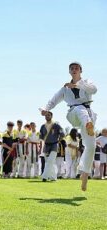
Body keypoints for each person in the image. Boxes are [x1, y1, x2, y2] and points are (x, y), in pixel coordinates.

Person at [40, 62, 97, 191]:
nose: (74, 69)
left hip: (88, 115)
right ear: (69, 71)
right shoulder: (65, 88)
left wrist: (78, 85)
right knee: (79, 108)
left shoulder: (87, 82)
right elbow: (54, 100)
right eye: (72, 68)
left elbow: (94, 90)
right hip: (74, 114)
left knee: (91, 146)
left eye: (77, 68)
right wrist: (45, 109)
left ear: (81, 70)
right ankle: (88, 123)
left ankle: (84, 174)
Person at [39, 112, 65, 182]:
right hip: (46, 145)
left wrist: (58, 140)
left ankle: (44, 176)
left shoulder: (56, 125)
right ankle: (53, 177)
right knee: (49, 162)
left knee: (50, 161)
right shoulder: (43, 126)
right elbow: (41, 136)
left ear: (51, 116)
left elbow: (63, 134)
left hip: (54, 145)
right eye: (46, 115)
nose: (47, 116)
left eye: (49, 115)